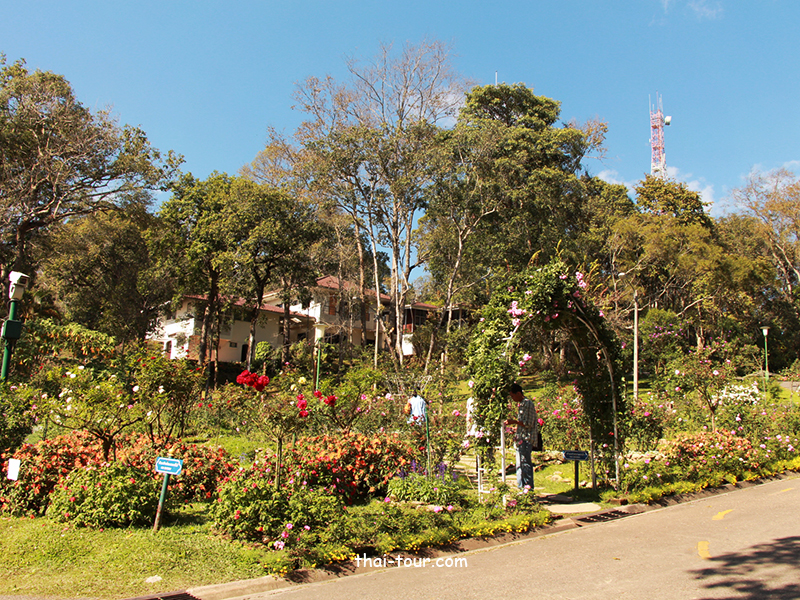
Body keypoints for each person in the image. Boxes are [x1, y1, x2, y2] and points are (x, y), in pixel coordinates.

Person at [506, 382, 538, 490]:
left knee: (525, 464)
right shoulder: (522, 405)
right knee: (520, 464)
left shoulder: (527, 404)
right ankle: (521, 487)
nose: (513, 398)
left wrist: (514, 421)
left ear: (519, 393)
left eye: (513, 396)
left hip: (526, 438)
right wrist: (515, 429)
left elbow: (528, 423)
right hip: (521, 438)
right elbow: (523, 424)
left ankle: (528, 487)